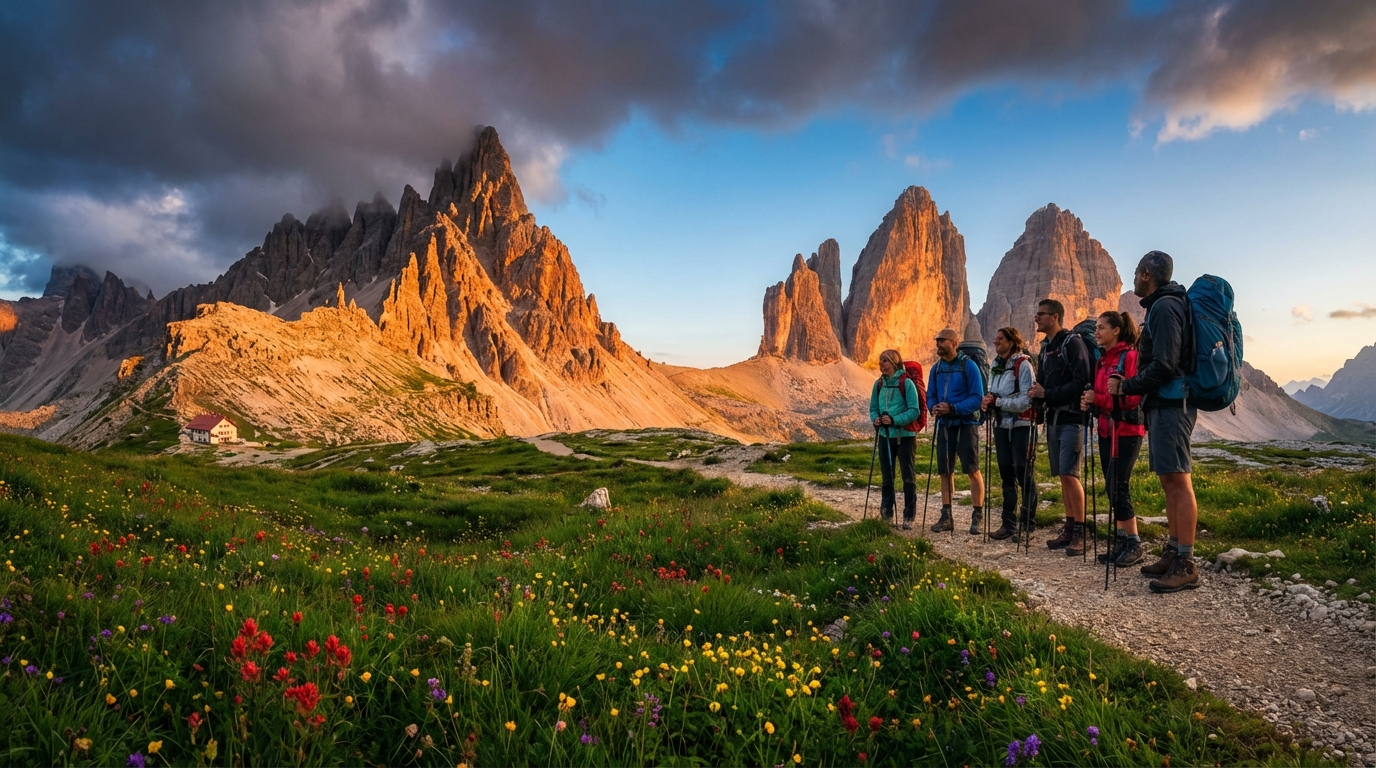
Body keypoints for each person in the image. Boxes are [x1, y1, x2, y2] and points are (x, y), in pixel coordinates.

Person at [1109, 251, 1201, 592]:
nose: (1133, 279)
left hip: (1172, 402)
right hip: (1165, 403)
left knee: (1178, 481)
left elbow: (1163, 364)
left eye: (1136, 272)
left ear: (1147, 274)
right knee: (1169, 480)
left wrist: (1127, 386)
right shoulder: (1165, 304)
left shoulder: (1164, 307)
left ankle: (1186, 562)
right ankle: (1174, 551)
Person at [1080, 311, 1145, 566]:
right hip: (1107, 429)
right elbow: (1100, 394)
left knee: (1119, 485)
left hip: (1127, 431)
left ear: (1116, 330)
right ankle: (1121, 540)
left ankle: (1134, 543)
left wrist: (1099, 400)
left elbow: (1132, 398)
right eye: (1096, 327)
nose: (1096, 332)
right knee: (1111, 486)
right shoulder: (1102, 361)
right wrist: (1089, 401)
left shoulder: (1129, 356)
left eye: (1101, 327)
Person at [1029, 299, 1093, 556]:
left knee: (1071, 474)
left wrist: (1048, 393)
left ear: (1055, 317)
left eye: (1041, 314)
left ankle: (1080, 531)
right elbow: (1044, 384)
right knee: (1063, 475)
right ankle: (1069, 528)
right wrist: (1037, 394)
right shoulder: (1046, 349)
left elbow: (1082, 382)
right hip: (1055, 418)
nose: (1037, 318)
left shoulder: (1072, 343)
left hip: (1072, 419)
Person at [926, 328, 985, 534]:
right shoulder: (936, 368)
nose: (938, 344)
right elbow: (930, 394)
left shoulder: (968, 366)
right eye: (937, 341)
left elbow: (977, 397)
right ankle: (946, 516)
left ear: (954, 343)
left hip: (966, 424)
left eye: (942, 341)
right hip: (944, 424)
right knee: (945, 471)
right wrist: (933, 406)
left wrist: (953, 408)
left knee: (972, 469)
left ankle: (977, 515)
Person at [982, 327, 1038, 540]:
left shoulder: (1023, 364)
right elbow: (992, 392)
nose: (996, 342)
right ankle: (1008, 524)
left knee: (1023, 473)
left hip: (1022, 426)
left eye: (1000, 339)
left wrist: (998, 402)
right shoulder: (995, 364)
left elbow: (1027, 400)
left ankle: (1027, 525)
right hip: (1002, 425)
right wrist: (988, 402)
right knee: (1006, 473)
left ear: (1011, 342)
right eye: (995, 339)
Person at [869, 349, 923, 529]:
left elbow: (914, 411)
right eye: (880, 360)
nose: (881, 364)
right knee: (887, 477)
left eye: (884, 360)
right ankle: (886, 514)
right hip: (885, 436)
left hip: (905, 437)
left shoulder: (906, 383)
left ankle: (909, 516)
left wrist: (894, 420)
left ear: (894, 362)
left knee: (908, 477)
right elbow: (873, 408)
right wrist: (876, 419)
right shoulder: (878, 384)